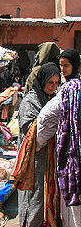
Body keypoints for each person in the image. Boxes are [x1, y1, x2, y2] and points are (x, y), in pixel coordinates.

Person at [12, 62, 61, 227]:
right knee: (32, 195)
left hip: (47, 156)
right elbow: (28, 130)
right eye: (50, 83)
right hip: (32, 158)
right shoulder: (30, 101)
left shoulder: (52, 98)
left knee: (44, 194)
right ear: (42, 81)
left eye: (56, 83)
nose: (53, 87)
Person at [36, 50, 81, 227]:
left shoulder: (68, 90)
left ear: (74, 66)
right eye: (60, 65)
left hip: (71, 156)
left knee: (72, 211)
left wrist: (38, 143)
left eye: (66, 65)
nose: (62, 69)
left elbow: (45, 120)